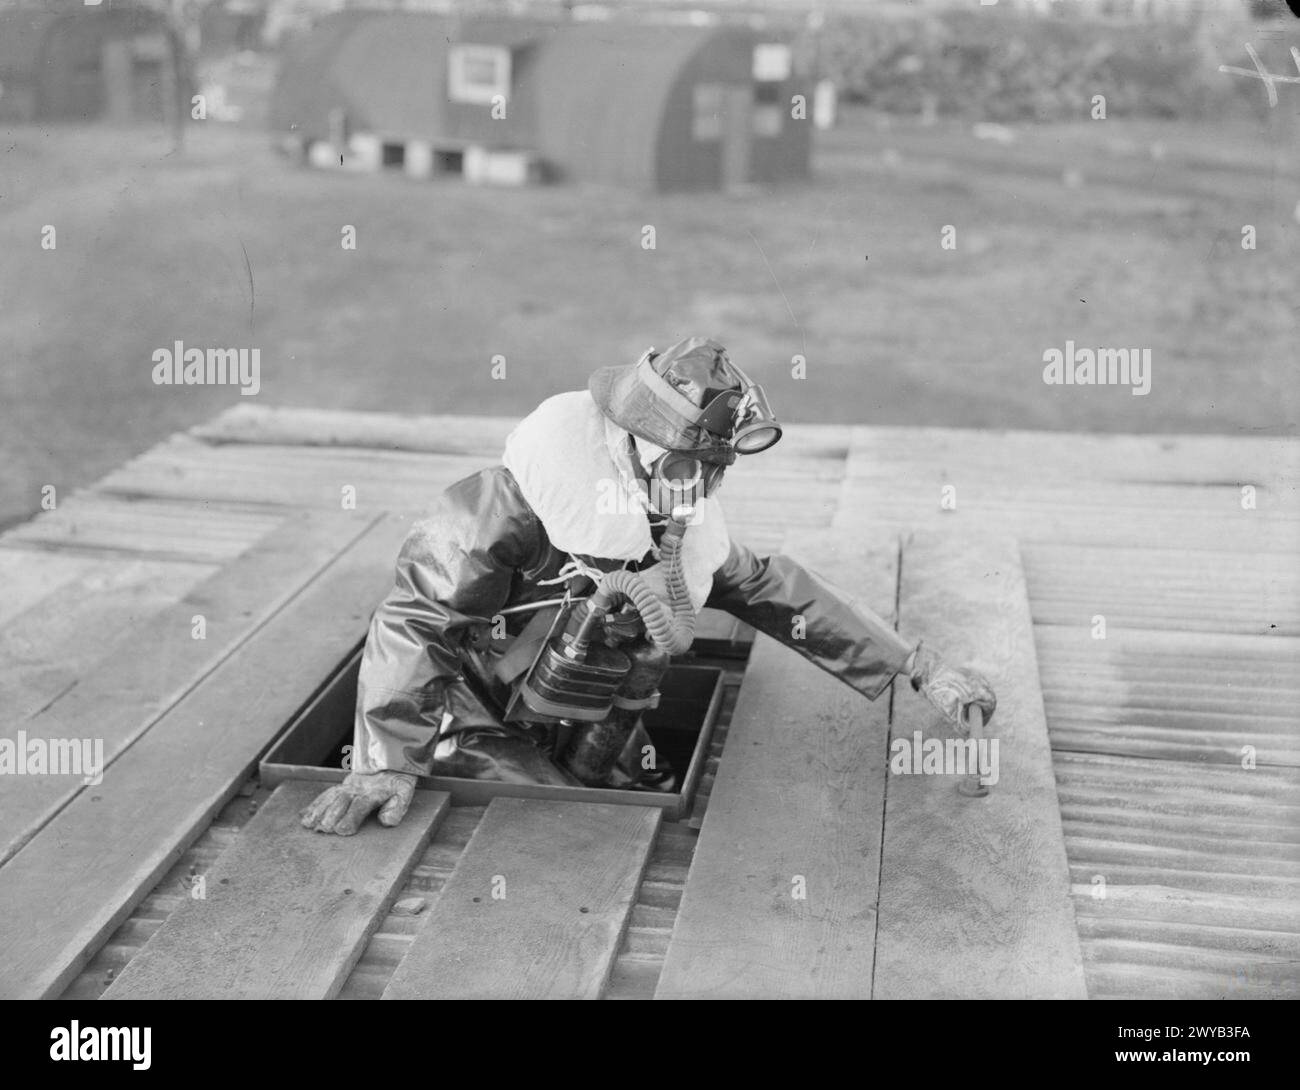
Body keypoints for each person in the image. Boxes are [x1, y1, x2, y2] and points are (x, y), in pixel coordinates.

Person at [301, 337, 996, 836]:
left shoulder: (671, 524)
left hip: (585, 707)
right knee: (572, 823)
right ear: (634, 447)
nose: (698, 491)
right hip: (471, 712)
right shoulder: (503, 507)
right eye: (687, 469)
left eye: (713, 473)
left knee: (639, 790)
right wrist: (384, 758)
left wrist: (915, 663)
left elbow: (770, 587)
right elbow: (416, 618)